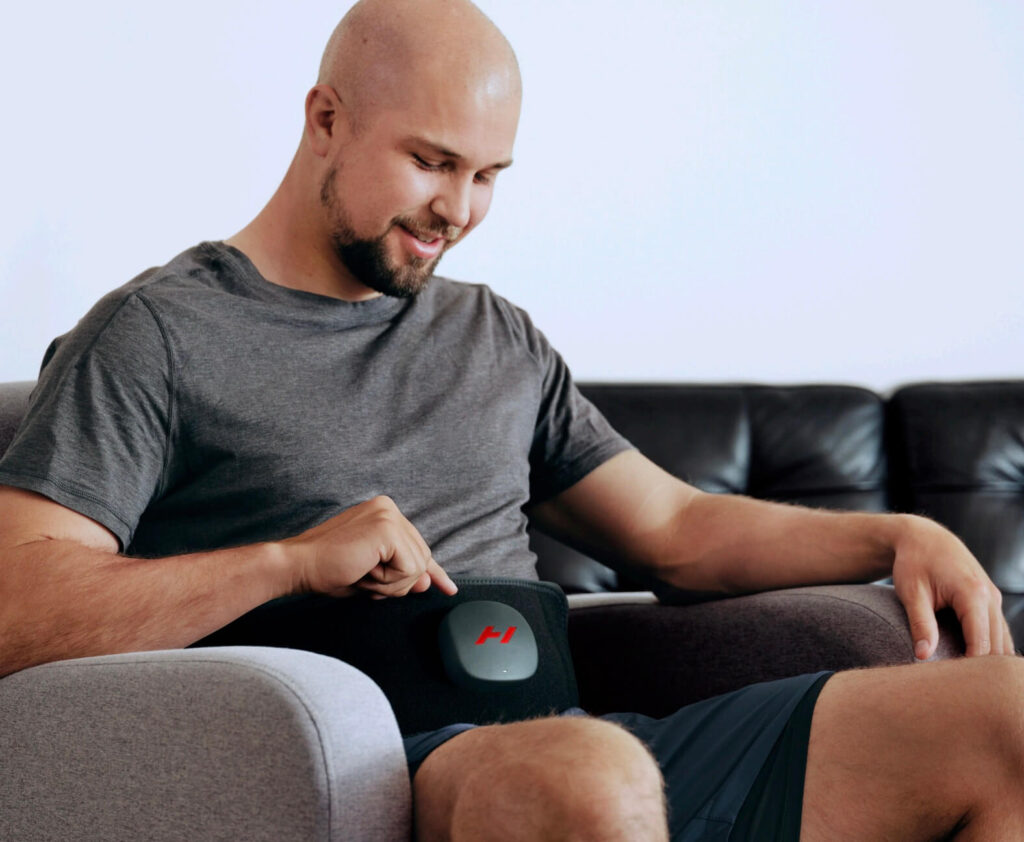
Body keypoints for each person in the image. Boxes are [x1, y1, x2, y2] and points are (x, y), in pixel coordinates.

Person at [0, 0, 1020, 839]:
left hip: (582, 747)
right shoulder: (157, 334)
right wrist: (287, 560)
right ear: (324, 119)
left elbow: (676, 530)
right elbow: (19, 604)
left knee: (1007, 716)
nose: (460, 209)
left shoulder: (494, 335)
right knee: (591, 781)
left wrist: (896, 534)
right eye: (432, 161)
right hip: (371, 770)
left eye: (487, 175)